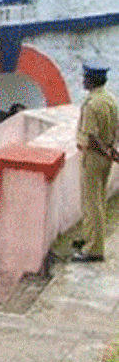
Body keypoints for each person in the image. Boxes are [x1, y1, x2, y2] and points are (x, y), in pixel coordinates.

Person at [74, 64, 118, 262]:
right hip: (105, 155)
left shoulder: (92, 104)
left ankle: (94, 249)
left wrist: (104, 152)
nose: (83, 81)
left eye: (85, 78)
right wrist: (112, 150)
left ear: (92, 80)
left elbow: (92, 137)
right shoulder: (110, 99)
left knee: (92, 203)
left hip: (93, 156)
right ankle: (89, 237)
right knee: (98, 199)